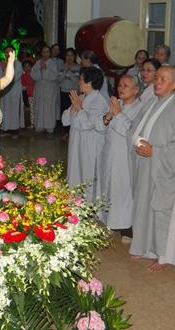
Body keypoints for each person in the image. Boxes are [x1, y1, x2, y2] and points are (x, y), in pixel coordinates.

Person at [129, 65, 175, 271]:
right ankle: (147, 247)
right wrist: (137, 142)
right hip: (147, 166)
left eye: (163, 79)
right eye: (157, 78)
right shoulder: (152, 104)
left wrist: (154, 151)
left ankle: (164, 256)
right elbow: (136, 127)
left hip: (165, 171)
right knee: (144, 207)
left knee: (164, 212)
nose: (157, 82)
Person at [98, 74, 142, 233]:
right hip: (110, 153)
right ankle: (108, 219)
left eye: (126, 86)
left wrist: (118, 114)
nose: (121, 88)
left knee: (123, 189)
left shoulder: (140, 109)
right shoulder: (117, 104)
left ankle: (125, 224)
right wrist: (109, 115)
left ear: (136, 90)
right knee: (108, 185)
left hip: (125, 157)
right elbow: (102, 127)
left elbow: (132, 132)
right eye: (119, 85)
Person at [62, 66, 109, 201]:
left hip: (90, 147)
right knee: (75, 174)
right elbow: (66, 120)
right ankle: (75, 204)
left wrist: (80, 109)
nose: (78, 83)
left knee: (87, 176)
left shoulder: (98, 101)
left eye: (81, 80)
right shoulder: (82, 97)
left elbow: (90, 124)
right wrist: (74, 107)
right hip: (76, 144)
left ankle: (88, 206)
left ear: (89, 83)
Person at [0, 47, 24, 137]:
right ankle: (4, 129)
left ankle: (14, 130)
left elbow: (14, 78)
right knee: (4, 109)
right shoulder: (0, 64)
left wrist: (6, 69)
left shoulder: (17, 64)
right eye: (6, 52)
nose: (8, 53)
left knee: (14, 110)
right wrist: (3, 69)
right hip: (4, 92)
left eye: (10, 52)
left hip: (14, 91)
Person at [31, 46, 59, 134]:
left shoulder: (53, 64)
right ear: (41, 53)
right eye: (44, 52)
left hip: (50, 88)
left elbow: (55, 75)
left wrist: (46, 69)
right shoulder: (38, 63)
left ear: (50, 53)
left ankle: (49, 126)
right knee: (39, 106)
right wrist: (40, 69)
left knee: (49, 107)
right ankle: (39, 125)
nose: (45, 54)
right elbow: (33, 74)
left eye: (47, 52)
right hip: (39, 88)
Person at [58, 48, 80, 117]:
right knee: (64, 112)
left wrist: (69, 71)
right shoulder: (61, 66)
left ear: (74, 57)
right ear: (65, 56)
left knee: (73, 112)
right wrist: (65, 70)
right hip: (63, 92)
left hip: (74, 93)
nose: (69, 57)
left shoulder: (78, 67)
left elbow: (76, 81)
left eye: (71, 55)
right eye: (67, 55)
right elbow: (59, 80)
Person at [21, 60, 35, 128]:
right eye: (25, 67)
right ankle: (32, 124)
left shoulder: (34, 74)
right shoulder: (23, 76)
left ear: (31, 67)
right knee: (32, 110)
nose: (27, 68)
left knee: (37, 109)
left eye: (28, 66)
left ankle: (37, 123)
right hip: (30, 95)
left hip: (37, 94)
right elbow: (23, 86)